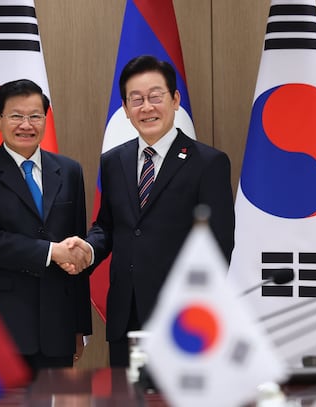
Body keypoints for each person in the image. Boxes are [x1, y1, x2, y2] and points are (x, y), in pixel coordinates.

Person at [67, 55, 235, 367]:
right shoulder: (113, 161)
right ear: (125, 108)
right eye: (136, 99)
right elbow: (109, 226)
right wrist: (87, 250)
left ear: (175, 100)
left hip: (182, 319)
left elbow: (218, 244)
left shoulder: (208, 163)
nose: (147, 107)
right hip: (126, 316)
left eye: (155, 97)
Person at [0, 79, 92, 372]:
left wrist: (79, 326)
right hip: (0, 325)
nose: (26, 125)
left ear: (45, 120)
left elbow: (77, 251)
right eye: (16, 116)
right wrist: (51, 252)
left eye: (35, 116)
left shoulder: (69, 171)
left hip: (57, 327)